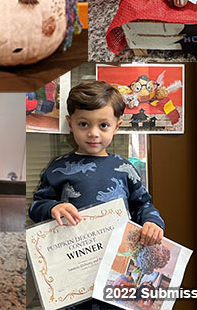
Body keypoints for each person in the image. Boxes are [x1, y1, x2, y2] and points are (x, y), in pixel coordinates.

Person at [30, 79, 164, 242]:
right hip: (73, 254)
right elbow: (36, 207)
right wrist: (52, 207)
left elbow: (143, 205)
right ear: (70, 124)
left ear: (116, 127)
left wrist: (152, 222)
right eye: (84, 124)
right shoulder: (58, 167)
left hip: (116, 252)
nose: (93, 133)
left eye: (103, 125)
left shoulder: (124, 167)